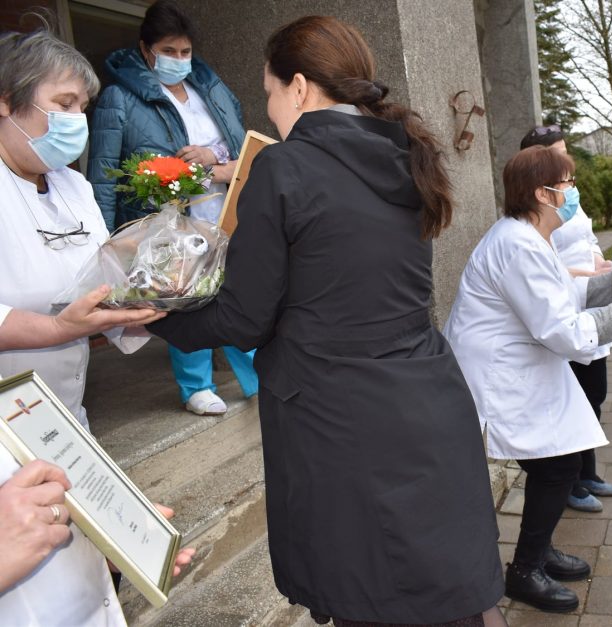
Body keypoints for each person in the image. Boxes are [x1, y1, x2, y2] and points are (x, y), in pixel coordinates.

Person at [146, 15, 506, 627]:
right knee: (442, 587)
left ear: (300, 87)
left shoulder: (283, 170)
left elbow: (244, 316)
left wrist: (153, 314)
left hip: (338, 419)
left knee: (369, 592)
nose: (269, 106)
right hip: (426, 399)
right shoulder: (406, 159)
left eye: (267, 91)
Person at [443, 146, 612, 613]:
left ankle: (537, 551)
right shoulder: (517, 244)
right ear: (543, 192)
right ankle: (525, 571)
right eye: (569, 182)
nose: (574, 191)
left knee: (555, 462)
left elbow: (565, 292)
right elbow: (566, 332)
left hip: (520, 365)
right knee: (557, 465)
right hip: (500, 373)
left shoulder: (530, 236)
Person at [0, 26, 192, 623]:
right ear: (6, 103)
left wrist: (147, 302)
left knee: (89, 587)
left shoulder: (75, 186)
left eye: (82, 107)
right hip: (4, 429)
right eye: (62, 105)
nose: (76, 121)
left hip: (65, 420)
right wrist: (62, 328)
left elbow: (102, 279)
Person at [88, 0, 257, 417]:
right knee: (183, 297)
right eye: (169, 51)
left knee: (237, 295)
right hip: (170, 217)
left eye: (185, 52)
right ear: (147, 50)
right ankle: (196, 385)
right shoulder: (120, 98)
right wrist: (103, 238)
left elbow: (241, 145)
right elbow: (105, 172)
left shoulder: (211, 90)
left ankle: (257, 378)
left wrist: (215, 164)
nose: (179, 60)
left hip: (224, 207)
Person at [520, 124, 612, 514]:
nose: (567, 159)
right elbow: (546, 265)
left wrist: (602, 263)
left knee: (594, 394)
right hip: (567, 310)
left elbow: (588, 239)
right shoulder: (536, 211)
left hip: (590, 301)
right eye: (557, 153)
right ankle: (573, 481)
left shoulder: (567, 194)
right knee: (574, 398)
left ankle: (587, 472)